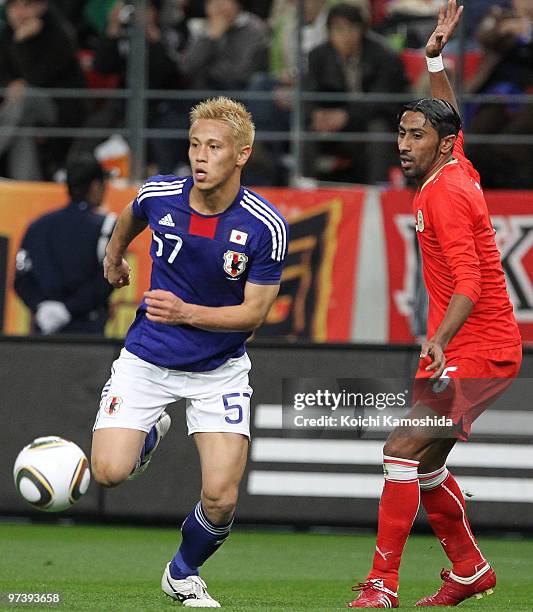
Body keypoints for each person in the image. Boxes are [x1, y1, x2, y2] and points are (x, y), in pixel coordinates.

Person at [349, 1, 521, 608]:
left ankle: (381, 585)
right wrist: (434, 58)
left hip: (476, 347)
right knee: (423, 467)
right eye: (400, 132)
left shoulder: (446, 194)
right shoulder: (457, 165)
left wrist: (440, 337)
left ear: (441, 145)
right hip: (475, 346)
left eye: (414, 135)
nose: (403, 143)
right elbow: (445, 113)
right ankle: (470, 571)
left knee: (400, 449)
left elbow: (472, 285)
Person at [91, 97, 288, 607]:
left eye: (215, 147)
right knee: (109, 473)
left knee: (221, 498)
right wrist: (115, 258)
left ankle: (182, 571)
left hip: (217, 370)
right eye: (195, 145)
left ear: (242, 154)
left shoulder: (265, 227)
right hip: (147, 360)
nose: (201, 157)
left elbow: (254, 316)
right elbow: (132, 212)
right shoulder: (161, 195)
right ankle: (150, 433)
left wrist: (185, 312)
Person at [305, 2, 409, 183]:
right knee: (305, 130)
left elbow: (383, 100)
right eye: (339, 29)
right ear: (329, 33)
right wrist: (316, 113)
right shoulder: (318, 56)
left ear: (362, 30)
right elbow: (309, 92)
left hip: (373, 119)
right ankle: (305, 185)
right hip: (334, 122)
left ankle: (378, 188)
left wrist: (347, 115)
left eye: (351, 28)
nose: (346, 36)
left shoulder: (384, 56)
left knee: (379, 131)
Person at [14, 154, 116, 335]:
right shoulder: (105, 225)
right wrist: (69, 309)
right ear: (95, 186)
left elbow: (21, 279)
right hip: (88, 332)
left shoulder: (36, 225)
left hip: (43, 330)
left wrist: (42, 307)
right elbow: (108, 277)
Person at [0, 0, 86, 180]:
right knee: (22, 127)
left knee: (24, 98)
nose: (19, 12)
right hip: (20, 108)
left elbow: (38, 77)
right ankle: (25, 186)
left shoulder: (58, 33)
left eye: (25, 5)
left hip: (60, 107)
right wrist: (12, 84)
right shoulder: (6, 33)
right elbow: (6, 75)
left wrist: (21, 42)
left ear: (41, 7)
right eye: (13, 6)